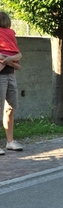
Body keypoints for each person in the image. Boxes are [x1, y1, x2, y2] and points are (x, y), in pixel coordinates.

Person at [0, 11, 24, 155]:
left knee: (10, 108)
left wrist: (11, 61)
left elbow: (18, 53)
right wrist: (11, 61)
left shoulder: (10, 34)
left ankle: (10, 142)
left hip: (10, 75)